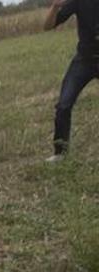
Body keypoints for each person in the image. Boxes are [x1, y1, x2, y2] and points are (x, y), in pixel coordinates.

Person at [43, 0, 98, 162]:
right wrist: (55, 6)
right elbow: (47, 26)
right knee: (63, 105)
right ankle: (60, 153)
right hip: (84, 60)